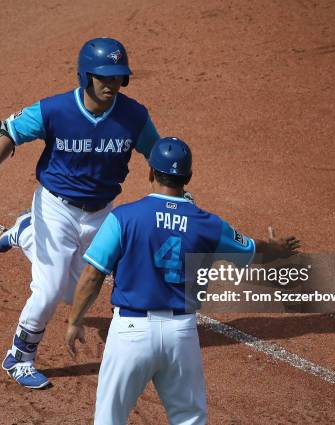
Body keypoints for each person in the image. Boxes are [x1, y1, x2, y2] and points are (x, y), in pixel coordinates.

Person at [65, 137, 301, 424]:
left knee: (109, 419)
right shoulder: (207, 224)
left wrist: (75, 320)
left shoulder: (123, 217)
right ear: (188, 178)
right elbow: (251, 250)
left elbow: (92, 275)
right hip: (181, 335)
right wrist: (275, 248)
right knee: (189, 418)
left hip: (131, 331)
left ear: (150, 172)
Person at [0, 38, 162, 389]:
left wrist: (175, 189)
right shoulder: (56, 110)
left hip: (101, 213)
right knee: (48, 289)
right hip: (56, 206)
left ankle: (25, 232)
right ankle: (19, 357)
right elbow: (8, 131)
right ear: (85, 76)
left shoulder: (134, 116)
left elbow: (157, 154)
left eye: (118, 77)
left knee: (73, 295)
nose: (111, 85)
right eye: (103, 77)